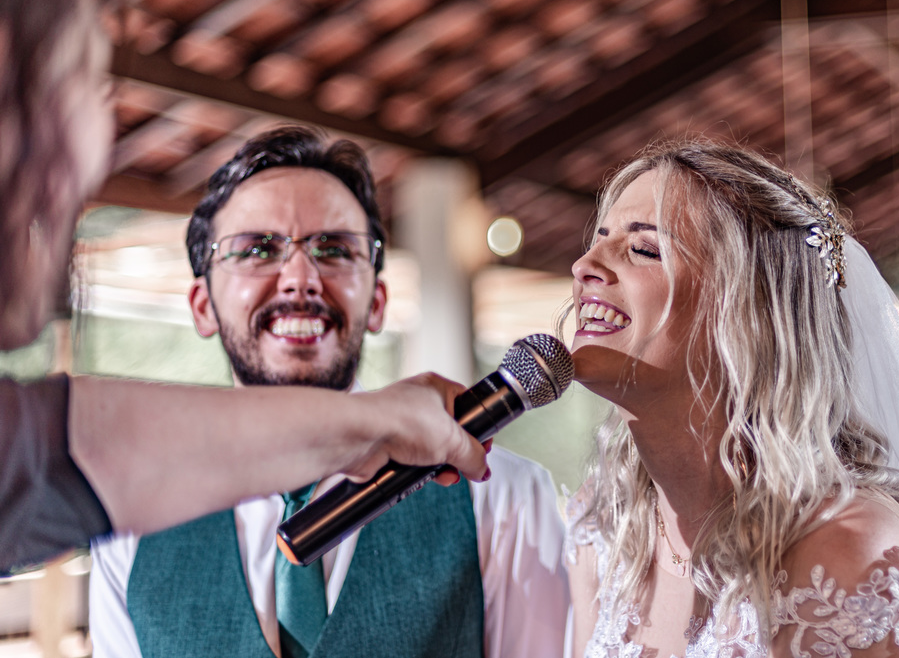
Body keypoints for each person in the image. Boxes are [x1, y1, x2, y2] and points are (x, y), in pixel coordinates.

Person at [0, 0, 486, 574]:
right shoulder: (131, 548)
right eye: (78, 72)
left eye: (333, 248)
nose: (94, 139)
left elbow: (54, 450)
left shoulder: (497, 502)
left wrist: (379, 420)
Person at [89, 127, 569, 658]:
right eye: (258, 249)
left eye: (334, 249)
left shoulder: (504, 497)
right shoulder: (128, 517)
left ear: (379, 301)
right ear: (202, 305)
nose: (300, 277)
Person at [563, 140, 899, 657]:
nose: (584, 265)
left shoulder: (845, 546)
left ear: (746, 316)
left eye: (644, 249)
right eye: (599, 239)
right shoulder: (607, 525)